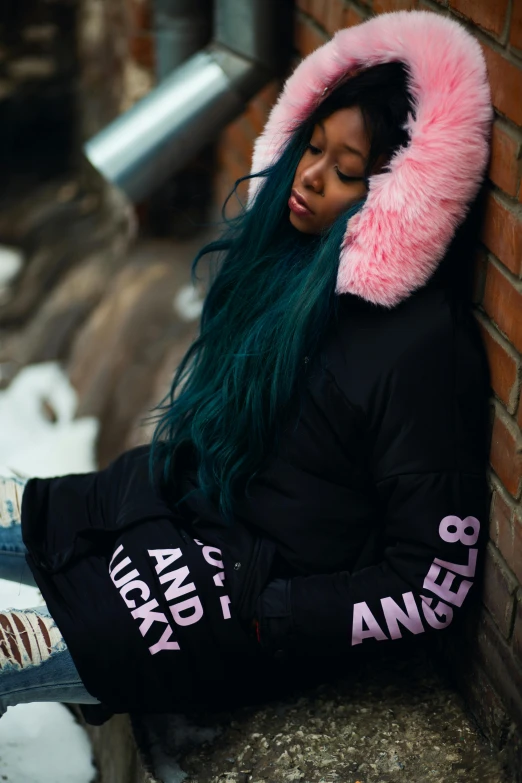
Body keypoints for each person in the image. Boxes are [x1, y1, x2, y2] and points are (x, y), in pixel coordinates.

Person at [0, 9, 493, 726]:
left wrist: (275, 615)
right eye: (312, 147)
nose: (311, 176)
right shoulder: (286, 262)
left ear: (400, 196)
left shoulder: (423, 350)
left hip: (241, 594)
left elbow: (433, 582)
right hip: (179, 503)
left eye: (347, 171)